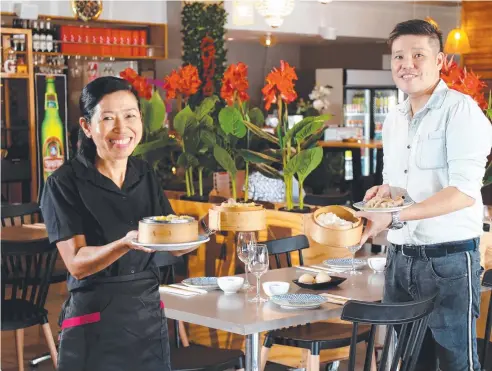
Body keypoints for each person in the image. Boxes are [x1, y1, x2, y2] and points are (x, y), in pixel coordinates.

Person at [357, 20, 492, 370]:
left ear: (440, 61)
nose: (407, 64)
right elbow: (400, 190)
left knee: (454, 364)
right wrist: (382, 199)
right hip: (400, 260)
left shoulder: (461, 111)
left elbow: (462, 193)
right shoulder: (394, 118)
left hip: (448, 262)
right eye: (399, 56)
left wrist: (395, 216)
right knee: (410, 362)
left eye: (418, 55)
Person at [40, 76, 194, 371]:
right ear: (87, 126)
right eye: (108, 118)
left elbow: (172, 245)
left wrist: (208, 227)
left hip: (148, 315)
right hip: (94, 321)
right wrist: (124, 244)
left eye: (130, 116)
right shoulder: (63, 183)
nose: (122, 129)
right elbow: (76, 263)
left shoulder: (144, 173)